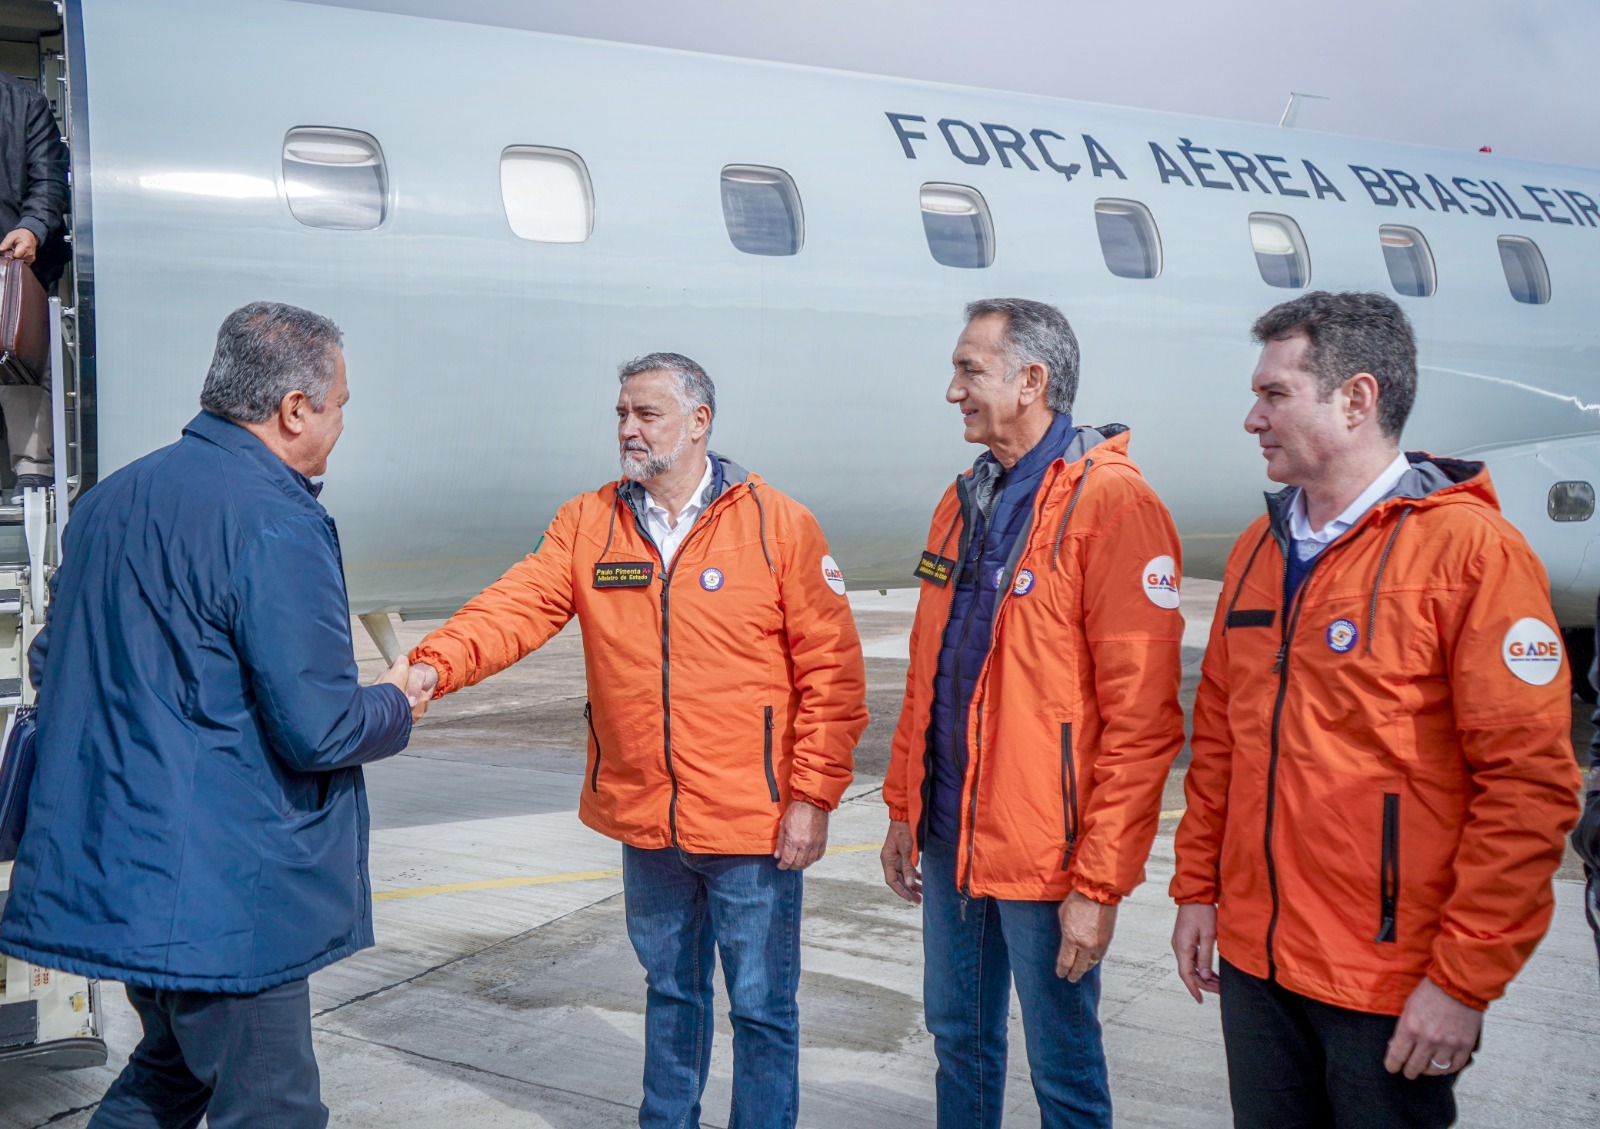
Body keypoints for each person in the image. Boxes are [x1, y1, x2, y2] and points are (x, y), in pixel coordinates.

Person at [405, 352, 867, 1129]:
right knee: (671, 994)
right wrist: (430, 666)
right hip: (646, 822)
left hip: (752, 827)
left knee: (760, 1008)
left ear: (699, 423)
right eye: (621, 413)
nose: (627, 429)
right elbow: (515, 606)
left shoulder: (777, 524)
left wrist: (813, 797)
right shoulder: (591, 522)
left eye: (646, 414)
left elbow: (833, 674)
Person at [0, 302, 417, 1128]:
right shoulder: (275, 516)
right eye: (339, 406)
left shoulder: (111, 498)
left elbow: (55, 663)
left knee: (172, 1074)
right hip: (225, 898)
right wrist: (398, 701)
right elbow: (320, 726)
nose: (339, 426)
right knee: (273, 1107)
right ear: (295, 408)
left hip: (129, 874)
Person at [1171, 291, 1581, 1128]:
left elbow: (1528, 791)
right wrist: (1198, 890)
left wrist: (1463, 980)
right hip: (1257, 968)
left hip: (1388, 984)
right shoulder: (1260, 548)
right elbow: (1219, 739)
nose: (1253, 417)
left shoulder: (1471, 553)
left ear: (1356, 399)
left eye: (1275, 393)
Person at [879, 298, 1186, 1128]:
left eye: (969, 370)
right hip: (949, 838)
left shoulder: (1114, 504)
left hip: (1047, 856)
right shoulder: (964, 498)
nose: (953, 391)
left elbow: (1142, 722)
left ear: (1032, 380)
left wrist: (1100, 882)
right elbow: (929, 673)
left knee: (1063, 1066)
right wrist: (905, 807)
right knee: (957, 1038)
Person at [0, 69, 70, 502]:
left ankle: (33, 475)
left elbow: (49, 181)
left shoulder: (24, 102)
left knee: (21, 362)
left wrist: (31, 228)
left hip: (10, 261)